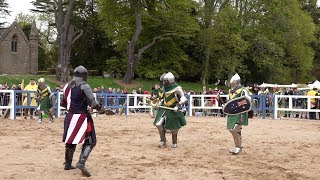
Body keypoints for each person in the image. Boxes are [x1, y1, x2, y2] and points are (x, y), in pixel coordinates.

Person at [61, 65, 105, 177]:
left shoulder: (67, 86)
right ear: (84, 76)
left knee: (71, 140)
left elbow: (63, 103)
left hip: (69, 116)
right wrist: (100, 108)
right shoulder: (84, 86)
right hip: (81, 117)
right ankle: (81, 162)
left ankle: (67, 163)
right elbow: (93, 103)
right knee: (91, 141)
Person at [153, 72, 187, 148]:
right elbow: (163, 97)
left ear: (169, 81)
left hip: (173, 109)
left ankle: (174, 143)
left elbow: (183, 98)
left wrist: (178, 105)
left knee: (173, 128)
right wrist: (159, 102)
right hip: (164, 108)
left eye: (165, 81)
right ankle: (163, 141)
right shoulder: (164, 88)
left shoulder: (177, 88)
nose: (163, 82)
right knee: (158, 124)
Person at [227, 73, 251, 155]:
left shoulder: (243, 90)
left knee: (234, 129)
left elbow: (248, 100)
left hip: (240, 112)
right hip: (232, 114)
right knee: (232, 130)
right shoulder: (230, 91)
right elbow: (229, 103)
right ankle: (237, 147)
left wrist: (239, 105)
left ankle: (238, 148)